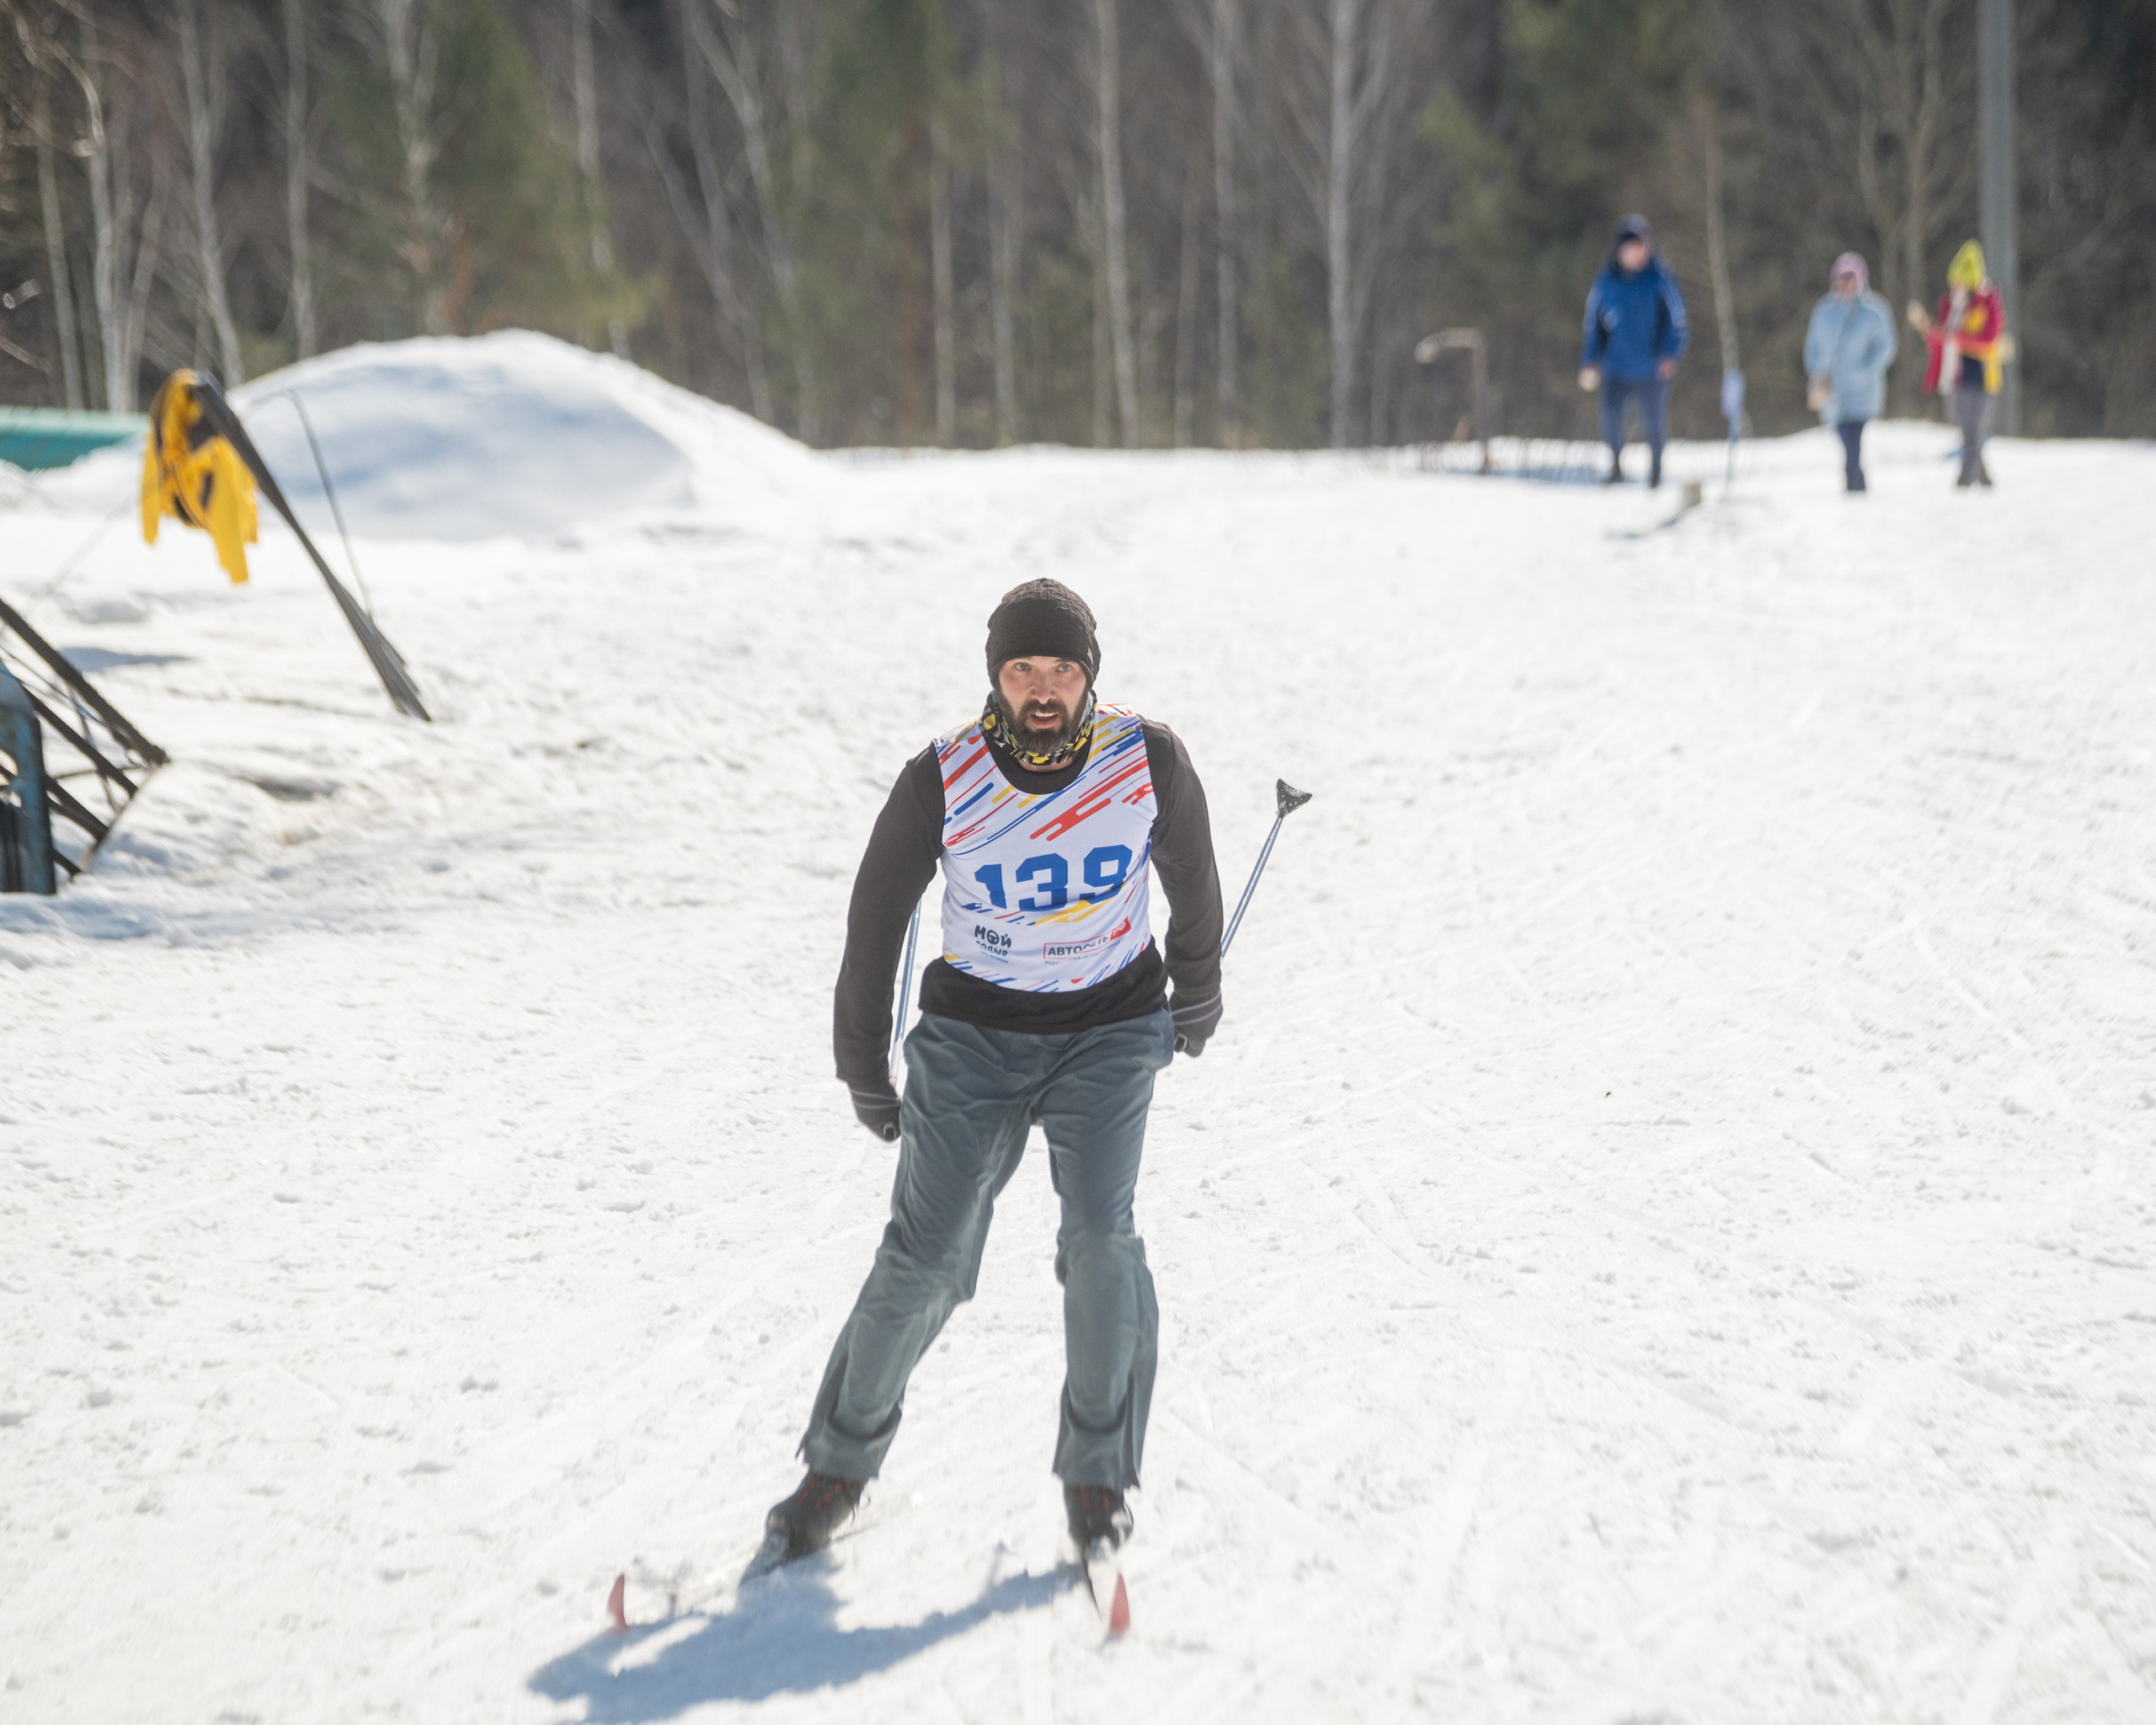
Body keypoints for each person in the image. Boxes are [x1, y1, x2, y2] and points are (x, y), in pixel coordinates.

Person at [762, 579, 1225, 1567]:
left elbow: (1193, 883)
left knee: (1101, 1238)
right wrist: (861, 1060)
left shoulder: (1147, 759)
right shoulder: (944, 775)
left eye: (1061, 667)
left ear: (1087, 673)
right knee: (926, 1257)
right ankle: (838, 1465)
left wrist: (1196, 993)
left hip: (1108, 1027)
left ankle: (1097, 1473)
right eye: (1023, 669)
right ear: (996, 678)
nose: (1043, 688)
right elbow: (876, 916)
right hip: (972, 1038)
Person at [1578, 214, 1689, 488]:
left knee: (1653, 421)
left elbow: (1678, 322)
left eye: (1644, 245)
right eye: (1635, 246)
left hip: (1651, 367)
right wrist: (1589, 361)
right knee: (1610, 417)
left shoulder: (1660, 278)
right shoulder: (1606, 282)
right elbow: (1594, 326)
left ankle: (1656, 472)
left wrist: (1669, 354)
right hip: (1616, 366)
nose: (1641, 251)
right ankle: (1615, 468)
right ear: (1621, 249)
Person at [1908, 240, 2007, 489]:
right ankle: (1983, 478)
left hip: (1981, 376)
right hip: (1955, 375)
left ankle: (1965, 479)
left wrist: (1958, 338)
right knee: (1963, 425)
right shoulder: (1950, 306)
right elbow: (1941, 340)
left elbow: (1989, 340)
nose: (1958, 287)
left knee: (1972, 427)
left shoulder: (1988, 303)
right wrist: (1925, 327)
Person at [1803, 252, 1897, 492]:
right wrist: (1816, 371)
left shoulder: (1874, 310)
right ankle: (1855, 475)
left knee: (1854, 433)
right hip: (1833, 388)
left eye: (1850, 278)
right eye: (1841, 278)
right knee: (1843, 433)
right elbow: (1812, 345)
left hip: (1863, 387)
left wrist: (1868, 368)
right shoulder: (1824, 310)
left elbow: (1886, 345)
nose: (1845, 284)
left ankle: (1854, 480)